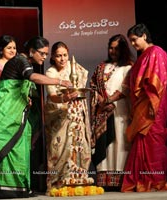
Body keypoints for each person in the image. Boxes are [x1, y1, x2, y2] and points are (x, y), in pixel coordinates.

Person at [0, 36, 72, 199]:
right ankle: (6, 189)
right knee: (8, 149)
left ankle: (20, 188)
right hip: (6, 115)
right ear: (32, 51)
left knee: (20, 149)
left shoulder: (24, 62)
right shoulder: (20, 61)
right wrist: (59, 81)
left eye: (47, 54)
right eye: (42, 53)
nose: (45, 57)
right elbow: (32, 78)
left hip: (17, 115)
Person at [121, 23, 167, 192]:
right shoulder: (143, 56)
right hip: (142, 104)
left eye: (135, 40)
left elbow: (157, 81)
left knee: (154, 140)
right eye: (131, 42)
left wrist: (152, 104)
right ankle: (143, 179)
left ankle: (155, 180)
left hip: (154, 103)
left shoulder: (156, 52)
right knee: (143, 140)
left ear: (144, 36)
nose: (133, 44)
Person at [44, 41, 96, 196]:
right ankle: (58, 182)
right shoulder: (51, 73)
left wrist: (76, 96)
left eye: (65, 55)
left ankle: (78, 180)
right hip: (59, 115)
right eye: (58, 56)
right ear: (53, 57)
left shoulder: (76, 69)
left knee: (79, 144)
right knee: (59, 148)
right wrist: (65, 98)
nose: (62, 59)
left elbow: (82, 88)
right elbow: (52, 96)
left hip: (76, 112)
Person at [90, 34, 134, 191]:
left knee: (119, 144)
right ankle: (104, 180)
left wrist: (109, 101)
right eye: (111, 48)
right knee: (105, 146)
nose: (113, 51)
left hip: (119, 112)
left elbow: (126, 89)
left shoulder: (128, 67)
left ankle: (120, 180)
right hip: (102, 112)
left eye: (116, 48)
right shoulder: (102, 66)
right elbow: (94, 85)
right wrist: (101, 100)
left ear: (123, 49)